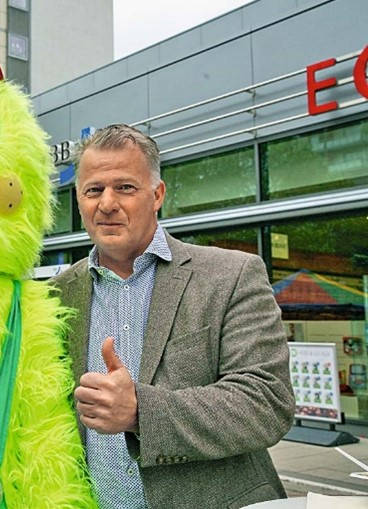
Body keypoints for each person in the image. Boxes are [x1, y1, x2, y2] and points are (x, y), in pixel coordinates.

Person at [52, 124, 295, 509]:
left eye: (125, 187)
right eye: (94, 190)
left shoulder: (231, 276)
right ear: (79, 200)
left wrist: (140, 413)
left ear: (157, 194)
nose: (107, 203)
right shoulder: (56, 296)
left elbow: (266, 402)